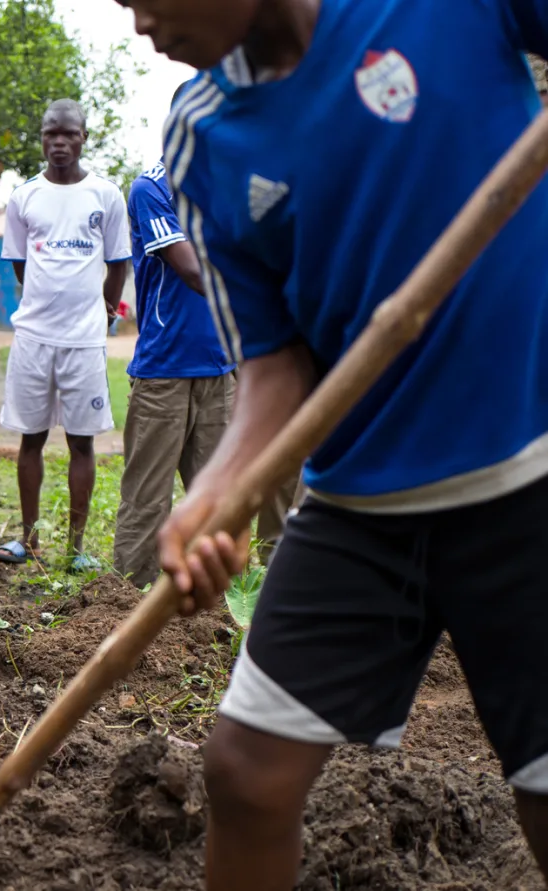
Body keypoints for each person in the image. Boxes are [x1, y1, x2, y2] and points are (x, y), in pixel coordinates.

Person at [119, 0, 548, 886]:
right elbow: (274, 366)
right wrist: (216, 493)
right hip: (361, 504)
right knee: (243, 771)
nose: (138, 20)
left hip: (529, 472)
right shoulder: (205, 134)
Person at [0, 99, 130, 572]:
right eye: (51, 134)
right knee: (30, 440)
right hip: (33, 337)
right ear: (43, 138)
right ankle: (28, 541)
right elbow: (19, 265)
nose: (59, 143)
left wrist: (106, 309)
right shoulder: (24, 196)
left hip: (85, 342)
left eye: (68, 134)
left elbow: (118, 262)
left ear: (83, 137)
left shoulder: (106, 196)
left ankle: (75, 548)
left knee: (82, 444)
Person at [112, 153, 234, 588]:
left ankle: (210, 598)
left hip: (221, 369)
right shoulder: (153, 188)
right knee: (147, 498)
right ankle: (124, 600)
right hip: (164, 371)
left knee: (218, 498)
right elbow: (191, 269)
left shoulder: (228, 179)